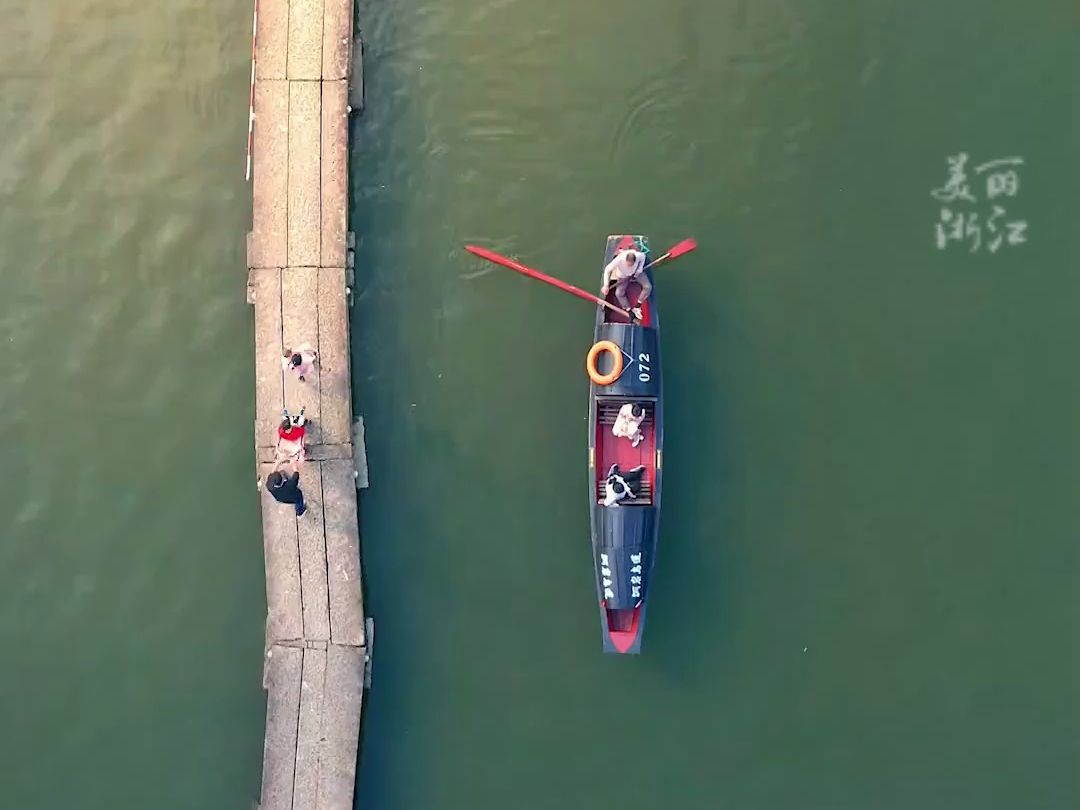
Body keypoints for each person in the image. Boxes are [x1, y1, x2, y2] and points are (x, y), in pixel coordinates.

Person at [600, 248, 652, 314]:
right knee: (618, 293)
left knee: (648, 287)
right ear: (625, 260)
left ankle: (637, 306)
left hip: (636, 273)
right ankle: (628, 309)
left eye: (632, 265)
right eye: (628, 265)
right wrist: (606, 285)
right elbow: (607, 270)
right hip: (623, 276)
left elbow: (643, 257)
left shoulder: (639, 255)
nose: (629, 266)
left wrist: (639, 269)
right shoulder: (619, 259)